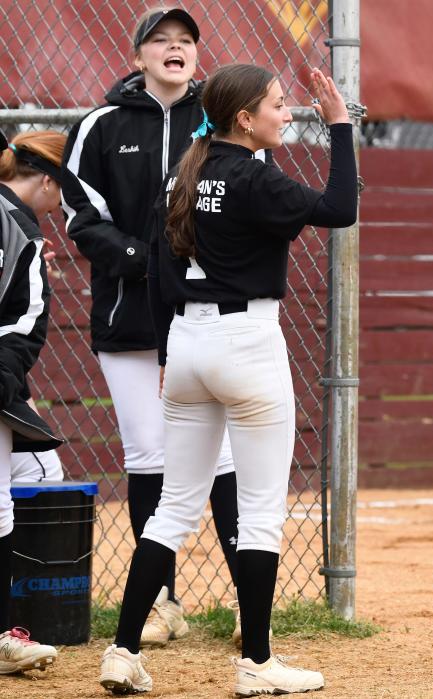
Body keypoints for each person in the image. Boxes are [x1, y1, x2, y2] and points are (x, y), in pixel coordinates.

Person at [96, 62, 354, 695]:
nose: (286, 112)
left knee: (171, 510)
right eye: (277, 104)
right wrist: (341, 125)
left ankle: (123, 652)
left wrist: (165, 357)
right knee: (262, 512)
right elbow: (341, 207)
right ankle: (257, 665)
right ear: (244, 118)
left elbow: (157, 271)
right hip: (246, 342)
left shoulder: (186, 171)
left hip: (185, 342)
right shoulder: (252, 177)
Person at [60, 6, 245, 647]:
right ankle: (161, 602)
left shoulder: (218, 121)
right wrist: (143, 260)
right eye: (160, 41)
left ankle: (251, 602)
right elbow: (79, 212)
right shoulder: (102, 125)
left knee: (221, 454)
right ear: (137, 56)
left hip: (202, 309)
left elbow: (247, 193)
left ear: (198, 54)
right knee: (148, 452)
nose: (174, 49)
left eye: (185, 41)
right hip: (130, 312)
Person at [0, 130, 67, 673]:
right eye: (62, 188)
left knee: (39, 468)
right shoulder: (17, 224)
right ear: (46, 180)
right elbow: (23, 321)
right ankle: (9, 626)